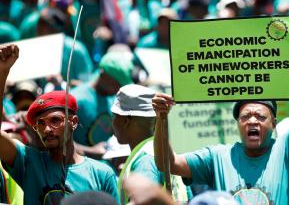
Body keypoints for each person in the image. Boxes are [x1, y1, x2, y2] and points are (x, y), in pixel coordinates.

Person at [152, 34, 289, 205]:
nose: (252, 121)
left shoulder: (288, 151)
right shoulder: (217, 157)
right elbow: (168, 163)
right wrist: (161, 118)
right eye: (245, 116)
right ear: (237, 124)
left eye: (260, 116)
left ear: (274, 124)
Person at [0, 44, 119, 205]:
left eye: (55, 120)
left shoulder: (102, 174)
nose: (47, 129)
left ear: (73, 122)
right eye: (40, 124)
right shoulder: (28, 161)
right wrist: (3, 72)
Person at [112, 84, 189, 204]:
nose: (112, 122)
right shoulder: (161, 152)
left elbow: (146, 200)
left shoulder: (146, 159)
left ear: (125, 121)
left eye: (114, 116)